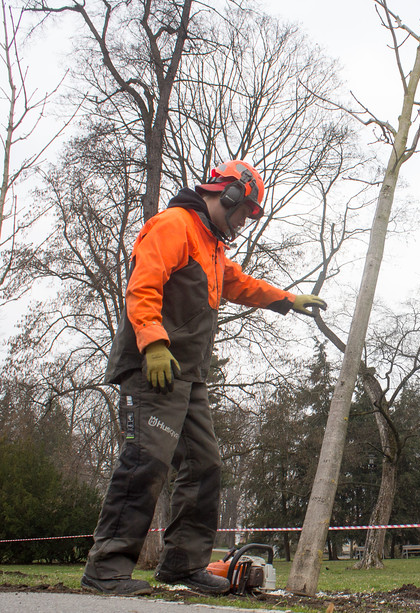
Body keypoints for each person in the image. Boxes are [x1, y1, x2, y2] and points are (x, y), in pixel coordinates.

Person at [81, 160, 327, 596]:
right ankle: (105, 568)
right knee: (145, 462)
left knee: (204, 465)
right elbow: (143, 286)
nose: (240, 222)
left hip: (188, 377)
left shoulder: (211, 246)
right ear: (228, 195)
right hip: (153, 368)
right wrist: (154, 344)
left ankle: (182, 565)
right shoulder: (173, 226)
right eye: (241, 211)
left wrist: (287, 298)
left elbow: (241, 284)